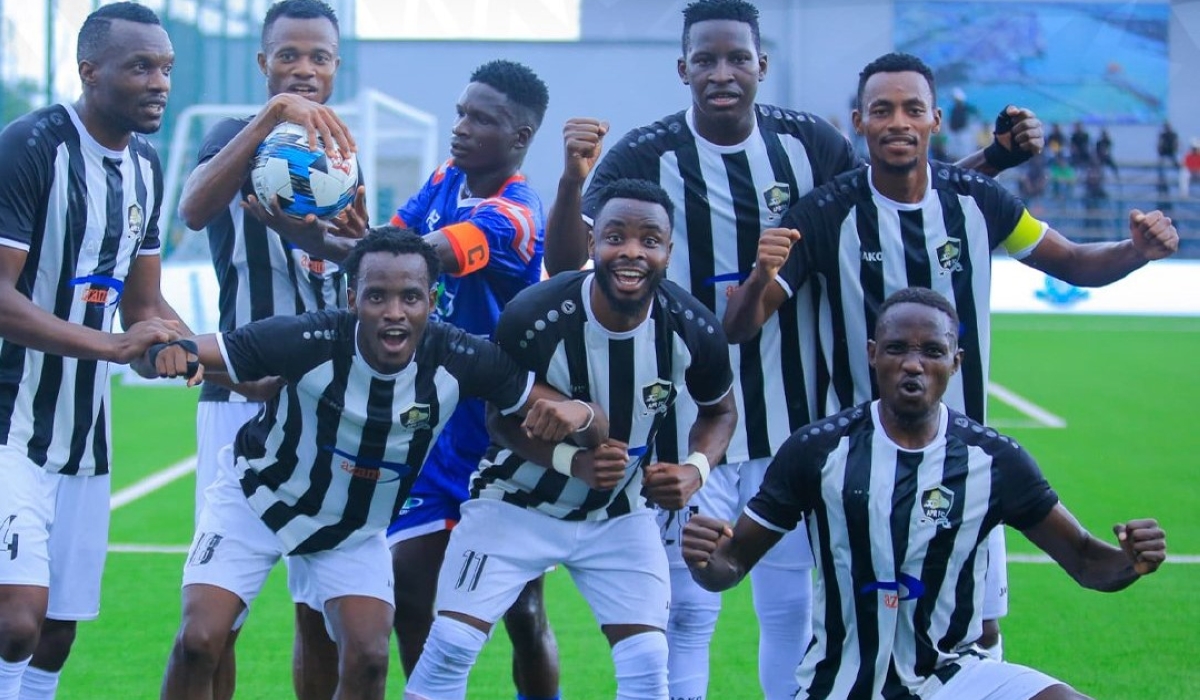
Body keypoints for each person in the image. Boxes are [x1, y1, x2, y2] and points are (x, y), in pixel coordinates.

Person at [542, 3, 1044, 697]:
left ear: (762, 64)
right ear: (683, 68)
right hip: (687, 422)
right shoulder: (645, 153)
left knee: (792, 611)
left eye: (737, 58)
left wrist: (991, 161)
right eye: (706, 60)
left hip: (797, 424)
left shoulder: (808, 141)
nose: (722, 73)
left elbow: (888, 197)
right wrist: (571, 179)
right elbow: (566, 260)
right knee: (687, 610)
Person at [722, 53, 1177, 675]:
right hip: (858, 467)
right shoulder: (826, 214)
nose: (898, 122)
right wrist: (760, 276)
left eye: (913, 109)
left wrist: (1135, 250)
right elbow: (741, 325)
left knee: (976, 626)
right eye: (882, 109)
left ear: (935, 119)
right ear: (859, 121)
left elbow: (1072, 262)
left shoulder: (979, 201)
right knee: (849, 629)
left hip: (966, 462)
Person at [155, 227, 597, 700]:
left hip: (353, 528)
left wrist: (585, 416)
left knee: (369, 657)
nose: (394, 312)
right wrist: (163, 351)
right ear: (352, 299)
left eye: (410, 297)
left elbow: (545, 402)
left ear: (432, 300)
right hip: (257, 496)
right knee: (199, 640)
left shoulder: (458, 355)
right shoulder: (309, 337)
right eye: (377, 296)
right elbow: (197, 349)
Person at [684, 287, 1168, 700]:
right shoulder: (816, 450)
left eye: (932, 351)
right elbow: (732, 563)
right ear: (873, 354)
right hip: (840, 683)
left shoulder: (994, 460)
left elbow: (1085, 560)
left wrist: (1131, 561)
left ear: (956, 362)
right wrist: (706, 560)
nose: (913, 364)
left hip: (955, 676)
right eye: (897, 349)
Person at [404, 178, 739, 700]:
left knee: (648, 662)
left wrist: (694, 470)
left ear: (668, 252)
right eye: (615, 236)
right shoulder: (534, 315)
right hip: (515, 504)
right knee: (450, 644)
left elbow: (721, 411)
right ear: (591, 243)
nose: (632, 252)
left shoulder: (693, 326)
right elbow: (498, 421)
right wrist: (570, 461)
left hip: (618, 513)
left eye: (650, 240)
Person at [174, 1, 364, 697]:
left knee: (319, 613)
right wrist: (272, 117)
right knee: (217, 619)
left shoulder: (343, 155)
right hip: (239, 398)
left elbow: (358, 274)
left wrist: (354, 246)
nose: (304, 69)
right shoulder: (234, 135)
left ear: (336, 67)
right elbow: (194, 209)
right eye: (288, 55)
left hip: (326, 408)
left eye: (319, 57)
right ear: (264, 63)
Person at [0, 4, 187, 699]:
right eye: (140, 66)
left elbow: (144, 307)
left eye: (165, 68)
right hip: (10, 424)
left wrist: (212, 356)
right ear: (90, 71)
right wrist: (114, 345)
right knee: (15, 620)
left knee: (56, 631)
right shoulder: (30, 146)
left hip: (84, 437)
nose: (158, 82)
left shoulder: (145, 167)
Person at [382, 60, 561, 700]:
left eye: (480, 119)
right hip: (429, 430)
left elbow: (423, 255)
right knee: (409, 592)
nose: (460, 127)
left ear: (519, 136)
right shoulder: (443, 180)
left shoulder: (517, 213)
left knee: (523, 612)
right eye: (461, 112)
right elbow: (391, 239)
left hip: (501, 434)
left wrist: (362, 250)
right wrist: (325, 233)